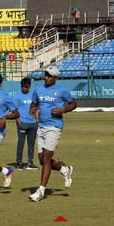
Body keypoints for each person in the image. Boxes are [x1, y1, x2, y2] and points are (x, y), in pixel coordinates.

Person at [28, 65, 76, 202]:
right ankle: (65, 169)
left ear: (55, 78)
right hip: (41, 127)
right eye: (45, 75)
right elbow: (34, 103)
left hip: (54, 127)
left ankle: (41, 191)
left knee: (47, 157)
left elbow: (73, 103)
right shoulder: (38, 89)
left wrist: (64, 111)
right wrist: (32, 108)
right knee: (42, 161)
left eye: (49, 75)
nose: (46, 77)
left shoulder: (62, 91)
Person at [14, 77, 38, 170]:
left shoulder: (33, 95)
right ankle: (19, 162)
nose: (24, 88)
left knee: (31, 144)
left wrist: (37, 121)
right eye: (23, 86)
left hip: (33, 123)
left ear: (29, 86)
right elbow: (14, 110)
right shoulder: (17, 96)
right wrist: (18, 121)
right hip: (22, 123)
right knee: (21, 143)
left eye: (26, 87)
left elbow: (36, 108)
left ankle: (30, 163)